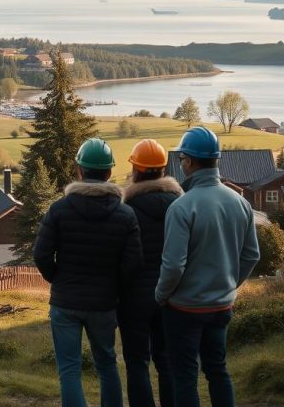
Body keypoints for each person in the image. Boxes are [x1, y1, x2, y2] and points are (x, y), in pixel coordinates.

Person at [155, 127, 260, 407]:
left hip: (184, 308)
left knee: (185, 377)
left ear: (188, 161)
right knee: (218, 371)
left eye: (182, 159)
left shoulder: (181, 206)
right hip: (221, 306)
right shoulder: (241, 203)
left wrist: (161, 295)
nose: (180, 164)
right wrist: (228, 284)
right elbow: (251, 255)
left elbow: (174, 265)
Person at [34, 137, 143, 407]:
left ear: (79, 170)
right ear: (108, 173)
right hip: (104, 303)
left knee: (69, 369)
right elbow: (134, 264)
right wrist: (115, 288)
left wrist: (58, 279)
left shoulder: (59, 210)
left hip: (65, 301)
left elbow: (41, 255)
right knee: (107, 363)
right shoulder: (126, 214)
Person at [119, 139, 182, 407]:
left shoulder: (126, 211)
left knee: (137, 362)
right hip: (172, 296)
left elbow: (122, 258)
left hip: (134, 299)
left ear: (136, 169)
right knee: (167, 361)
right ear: (163, 170)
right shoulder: (180, 206)